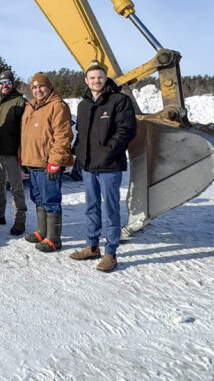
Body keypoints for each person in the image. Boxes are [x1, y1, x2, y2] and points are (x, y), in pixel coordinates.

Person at [69, 61, 137, 272]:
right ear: (86, 81)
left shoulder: (119, 100)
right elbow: (81, 134)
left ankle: (111, 252)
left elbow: (126, 130)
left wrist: (108, 152)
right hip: (89, 166)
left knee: (110, 209)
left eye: (100, 77)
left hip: (109, 166)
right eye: (92, 78)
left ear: (105, 78)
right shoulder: (83, 104)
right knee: (91, 206)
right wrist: (78, 153)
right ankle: (92, 246)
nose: (96, 81)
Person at [19, 72, 73, 252]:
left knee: (51, 200)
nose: (38, 90)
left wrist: (55, 162)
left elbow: (63, 137)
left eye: (41, 86)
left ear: (49, 87)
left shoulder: (57, 106)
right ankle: (42, 232)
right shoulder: (30, 106)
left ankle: (54, 239)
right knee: (38, 198)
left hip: (47, 163)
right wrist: (22, 155)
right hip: (32, 161)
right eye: (34, 87)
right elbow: (25, 135)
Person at [0, 69, 28, 234]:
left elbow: (25, 130)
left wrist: (22, 151)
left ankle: (19, 221)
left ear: (13, 84)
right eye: (2, 82)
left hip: (12, 153)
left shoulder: (20, 102)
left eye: (8, 82)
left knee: (16, 188)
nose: (5, 85)